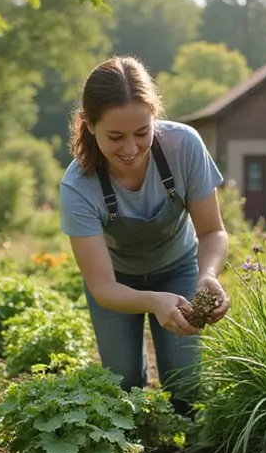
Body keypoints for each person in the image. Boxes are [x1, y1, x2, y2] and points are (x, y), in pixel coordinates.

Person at [59, 55, 231, 413]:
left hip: (178, 268)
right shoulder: (78, 186)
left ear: (155, 115)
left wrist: (208, 275)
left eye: (142, 132)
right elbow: (103, 287)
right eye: (115, 137)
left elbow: (213, 231)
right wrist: (154, 300)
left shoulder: (184, 146)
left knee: (187, 387)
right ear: (89, 125)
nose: (131, 148)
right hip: (117, 282)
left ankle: (187, 451)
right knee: (122, 386)